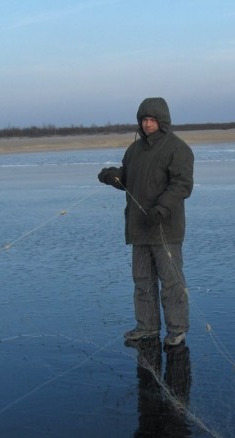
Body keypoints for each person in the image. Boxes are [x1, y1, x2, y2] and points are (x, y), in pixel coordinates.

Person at [98, 97, 194, 347]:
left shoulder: (177, 148)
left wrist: (161, 209)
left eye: (152, 120)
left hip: (165, 228)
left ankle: (177, 329)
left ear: (162, 122)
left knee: (171, 282)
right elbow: (129, 180)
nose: (148, 124)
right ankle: (147, 327)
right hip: (139, 227)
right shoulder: (134, 150)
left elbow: (181, 185)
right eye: (144, 119)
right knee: (142, 281)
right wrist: (112, 176)